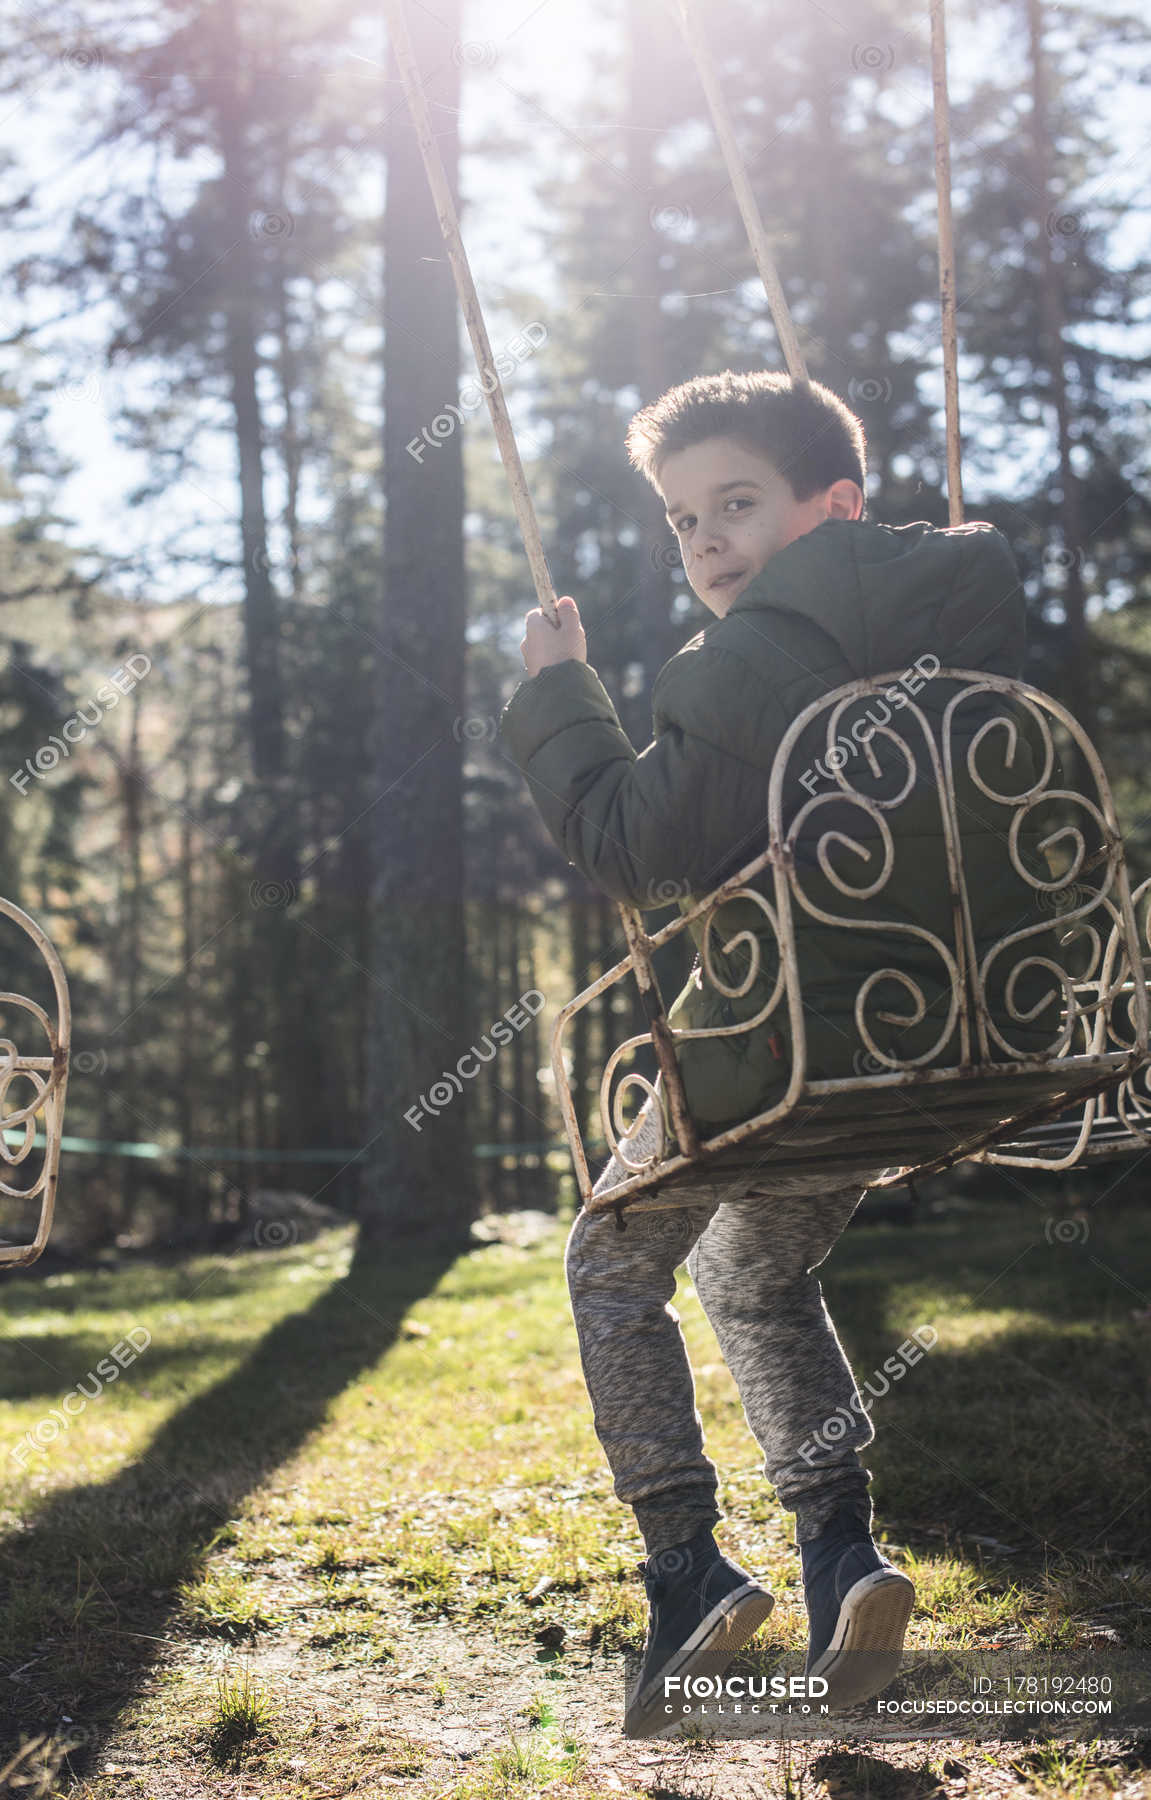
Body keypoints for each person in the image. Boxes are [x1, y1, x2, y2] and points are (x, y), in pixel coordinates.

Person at [497, 369, 1061, 1738]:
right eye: (685, 521)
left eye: (737, 504)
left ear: (835, 504)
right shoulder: (975, 619)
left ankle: (687, 1568)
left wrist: (560, 697)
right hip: (965, 1028)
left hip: (791, 1044)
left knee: (610, 1256)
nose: (707, 544)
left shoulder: (740, 662)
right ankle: (839, 1560)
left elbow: (633, 844)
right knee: (751, 1271)